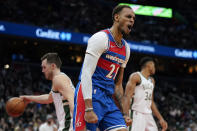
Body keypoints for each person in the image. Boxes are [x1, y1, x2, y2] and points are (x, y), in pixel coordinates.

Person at [73, 5, 135, 131]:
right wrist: (89, 107)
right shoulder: (101, 38)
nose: (132, 20)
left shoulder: (126, 49)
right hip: (91, 93)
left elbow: (118, 84)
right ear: (116, 17)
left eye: (133, 18)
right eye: (128, 17)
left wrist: (124, 113)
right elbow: (86, 74)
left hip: (108, 97)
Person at [20, 53, 74, 131]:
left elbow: (72, 99)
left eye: (44, 67)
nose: (42, 70)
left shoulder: (59, 79)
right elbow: (49, 98)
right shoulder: (59, 80)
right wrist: (29, 98)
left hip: (70, 127)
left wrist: (79, 124)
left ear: (53, 66)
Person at [122, 57, 168, 131]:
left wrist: (161, 119)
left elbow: (151, 102)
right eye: (154, 66)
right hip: (136, 113)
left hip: (148, 114)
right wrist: (126, 115)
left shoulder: (152, 80)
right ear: (149, 65)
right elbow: (127, 97)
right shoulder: (136, 76)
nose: (155, 68)